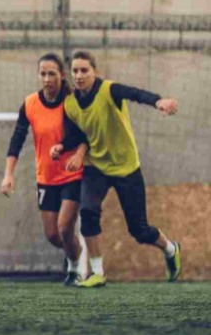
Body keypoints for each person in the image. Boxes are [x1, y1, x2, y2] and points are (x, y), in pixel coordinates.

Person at [50, 50, 181, 287]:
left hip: (126, 167)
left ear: (94, 72)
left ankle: (171, 249)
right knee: (88, 212)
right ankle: (98, 273)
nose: (79, 75)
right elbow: (75, 135)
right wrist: (61, 146)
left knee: (139, 231)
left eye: (84, 70)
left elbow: (136, 93)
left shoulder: (109, 90)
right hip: (96, 167)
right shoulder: (69, 104)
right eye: (75, 71)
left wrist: (158, 101)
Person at [1, 53, 87, 286]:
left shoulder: (73, 101)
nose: (47, 78)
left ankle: (76, 268)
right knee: (53, 235)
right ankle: (79, 252)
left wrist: (79, 154)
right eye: (43, 74)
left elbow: (86, 134)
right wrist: (9, 174)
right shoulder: (30, 104)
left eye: (52, 73)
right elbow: (17, 139)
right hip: (46, 177)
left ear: (61, 75)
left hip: (72, 174)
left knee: (64, 226)